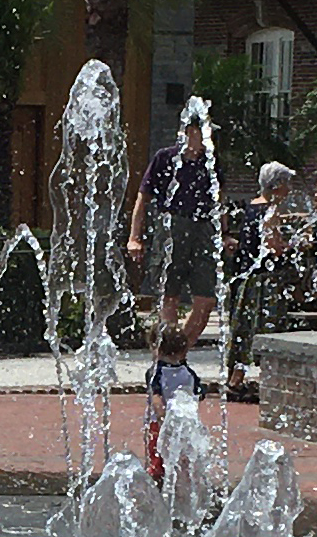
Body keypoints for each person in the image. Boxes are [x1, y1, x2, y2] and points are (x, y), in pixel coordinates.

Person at [126, 114, 220, 348]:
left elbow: (219, 200)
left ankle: (179, 352)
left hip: (203, 229)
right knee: (169, 296)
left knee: (206, 299)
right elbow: (142, 198)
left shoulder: (211, 162)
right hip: (171, 228)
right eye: (205, 131)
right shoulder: (165, 158)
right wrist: (134, 237)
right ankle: (165, 357)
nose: (210, 138)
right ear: (190, 131)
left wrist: (224, 233)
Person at [226, 161, 298, 395]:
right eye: (287, 183)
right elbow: (271, 247)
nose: (289, 189)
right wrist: (294, 246)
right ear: (277, 186)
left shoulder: (251, 206)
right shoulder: (271, 211)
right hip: (264, 282)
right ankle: (264, 383)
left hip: (248, 279)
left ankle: (235, 379)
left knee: (244, 330)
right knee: (265, 330)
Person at [144, 322, 203, 481]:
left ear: (157, 348)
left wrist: (163, 420)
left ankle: (156, 484)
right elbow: (199, 394)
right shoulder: (189, 373)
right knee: (181, 459)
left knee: (157, 460)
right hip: (185, 424)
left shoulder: (156, 373)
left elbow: (157, 399)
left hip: (159, 424)